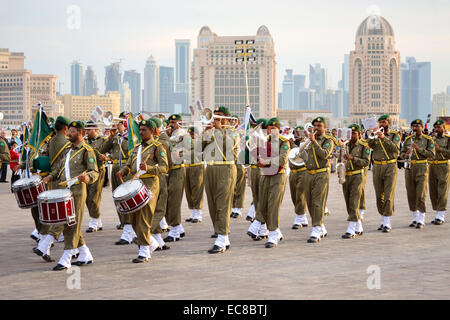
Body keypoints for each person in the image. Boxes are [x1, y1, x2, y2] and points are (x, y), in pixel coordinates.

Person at [43, 121, 99, 271]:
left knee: (72, 224)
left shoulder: (87, 150)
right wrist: (50, 177)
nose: (69, 134)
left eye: (72, 132)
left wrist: (86, 178)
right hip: (65, 192)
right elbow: (60, 169)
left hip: (78, 192)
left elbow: (94, 172)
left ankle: (66, 258)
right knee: (70, 224)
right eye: (69, 131)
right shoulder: (68, 150)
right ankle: (85, 254)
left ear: (80, 133)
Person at [116, 119, 168, 263]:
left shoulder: (158, 147)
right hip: (135, 184)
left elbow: (164, 168)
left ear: (152, 131)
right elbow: (128, 165)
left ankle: (144, 251)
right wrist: (122, 171)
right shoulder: (137, 148)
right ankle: (150, 243)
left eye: (144, 130)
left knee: (144, 217)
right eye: (140, 130)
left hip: (150, 184)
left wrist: (149, 168)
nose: (141, 132)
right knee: (133, 218)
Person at [31, 116, 72, 261]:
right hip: (64, 182)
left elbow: (44, 159)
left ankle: (75, 250)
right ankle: (46, 244)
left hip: (52, 181)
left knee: (55, 216)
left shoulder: (51, 141)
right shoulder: (68, 144)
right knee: (67, 217)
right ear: (66, 128)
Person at [202, 106, 238, 253]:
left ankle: (222, 238)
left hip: (226, 169)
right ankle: (222, 234)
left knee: (223, 204)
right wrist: (205, 134)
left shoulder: (233, 132)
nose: (215, 120)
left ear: (227, 119)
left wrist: (218, 130)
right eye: (214, 117)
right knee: (213, 205)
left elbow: (229, 146)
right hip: (210, 169)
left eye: (219, 117)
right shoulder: (211, 131)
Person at [100, 112, 136, 244]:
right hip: (115, 169)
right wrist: (111, 137)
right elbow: (103, 149)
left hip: (126, 170)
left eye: (119, 122)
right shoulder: (116, 137)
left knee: (126, 199)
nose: (117, 125)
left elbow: (131, 154)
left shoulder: (131, 137)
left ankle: (128, 230)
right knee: (117, 199)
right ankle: (126, 226)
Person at [257, 117, 289, 248]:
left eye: (275, 128)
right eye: (270, 128)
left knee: (273, 205)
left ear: (279, 130)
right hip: (265, 175)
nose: (272, 131)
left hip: (278, 176)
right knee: (263, 206)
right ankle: (276, 231)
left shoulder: (284, 142)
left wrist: (266, 161)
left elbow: (282, 159)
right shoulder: (265, 141)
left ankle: (273, 233)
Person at [367, 114, 401, 233]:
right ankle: (383, 218)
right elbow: (369, 145)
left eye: (384, 122)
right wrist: (371, 135)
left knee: (388, 194)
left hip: (390, 166)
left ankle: (387, 222)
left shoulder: (394, 135)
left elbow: (396, 150)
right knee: (378, 195)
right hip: (377, 166)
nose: (382, 124)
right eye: (380, 122)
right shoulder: (375, 135)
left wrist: (383, 137)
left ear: (388, 124)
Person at [303, 117, 334, 243]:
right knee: (310, 202)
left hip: (321, 173)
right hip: (309, 173)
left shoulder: (328, 140)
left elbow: (324, 155)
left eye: (319, 126)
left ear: (324, 128)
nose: (316, 128)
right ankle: (321, 226)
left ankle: (316, 229)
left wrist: (314, 142)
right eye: (315, 125)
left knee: (318, 202)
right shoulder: (309, 139)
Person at [338, 124, 370, 239]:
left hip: (358, 176)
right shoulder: (345, 145)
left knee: (354, 202)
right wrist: (339, 169)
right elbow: (340, 159)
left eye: (354, 133)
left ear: (360, 134)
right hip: (346, 176)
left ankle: (351, 229)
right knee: (348, 202)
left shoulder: (363, 146)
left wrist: (353, 158)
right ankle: (359, 226)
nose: (352, 136)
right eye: (350, 133)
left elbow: (366, 162)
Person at [401, 119, 436, 229]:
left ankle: (421, 218)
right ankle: (415, 217)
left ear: (422, 127)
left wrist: (419, 149)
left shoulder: (428, 140)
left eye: (417, 126)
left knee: (421, 193)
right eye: (413, 126)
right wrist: (405, 155)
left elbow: (431, 155)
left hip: (422, 167)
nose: (415, 128)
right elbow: (401, 154)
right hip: (409, 167)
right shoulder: (407, 140)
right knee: (411, 193)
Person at [163, 114, 187, 242]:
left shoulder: (183, 134)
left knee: (174, 200)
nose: (171, 124)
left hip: (178, 169)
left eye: (174, 122)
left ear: (179, 123)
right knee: (168, 200)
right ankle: (178, 227)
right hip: (168, 170)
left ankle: (174, 230)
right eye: (170, 122)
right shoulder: (168, 134)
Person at [149, 117, 170, 250]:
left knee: (159, 209)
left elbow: (168, 164)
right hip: (152, 178)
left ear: (155, 130)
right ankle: (157, 239)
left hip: (160, 177)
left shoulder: (163, 142)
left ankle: (147, 231)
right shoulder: (154, 141)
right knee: (154, 208)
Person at [85, 121, 108, 232]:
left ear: (95, 130)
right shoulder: (84, 141)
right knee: (87, 197)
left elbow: (110, 150)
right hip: (87, 172)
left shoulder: (102, 140)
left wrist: (107, 157)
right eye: (86, 130)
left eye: (89, 130)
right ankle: (97, 220)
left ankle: (94, 221)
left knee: (94, 197)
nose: (87, 132)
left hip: (98, 170)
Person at [428, 120, 450, 225]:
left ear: (443, 128)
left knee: (442, 191)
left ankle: (441, 216)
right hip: (432, 165)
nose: (436, 130)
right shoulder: (431, 139)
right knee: (433, 191)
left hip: (443, 165)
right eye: (435, 128)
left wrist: (440, 149)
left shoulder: (447, 139)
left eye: (439, 127)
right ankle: (437, 213)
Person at [289, 126, 309, 229]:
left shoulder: (305, 143)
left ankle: (299, 217)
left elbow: (301, 155)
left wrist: (292, 146)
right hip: (292, 172)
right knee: (294, 196)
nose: (297, 135)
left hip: (302, 171)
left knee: (300, 194)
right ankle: (303, 216)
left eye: (299, 133)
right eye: (296, 133)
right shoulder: (290, 142)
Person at [184, 126, 205, 223]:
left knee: (197, 190)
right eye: (190, 134)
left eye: (193, 134)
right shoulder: (187, 142)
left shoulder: (200, 142)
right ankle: (193, 212)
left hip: (197, 167)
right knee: (189, 191)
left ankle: (198, 214)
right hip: (188, 166)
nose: (191, 136)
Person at [231, 117, 246, 219]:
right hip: (230, 160)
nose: (231, 123)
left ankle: (238, 209)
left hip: (239, 159)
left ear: (237, 122)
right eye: (230, 121)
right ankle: (233, 207)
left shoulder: (241, 131)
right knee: (232, 185)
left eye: (233, 121)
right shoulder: (227, 131)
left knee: (240, 184)